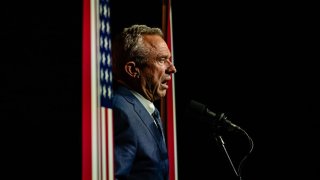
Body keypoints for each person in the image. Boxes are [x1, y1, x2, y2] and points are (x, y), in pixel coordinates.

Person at [111, 24, 177, 180]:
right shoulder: (121, 111)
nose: (172, 68)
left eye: (170, 60)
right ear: (133, 70)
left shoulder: (145, 109)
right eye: (162, 60)